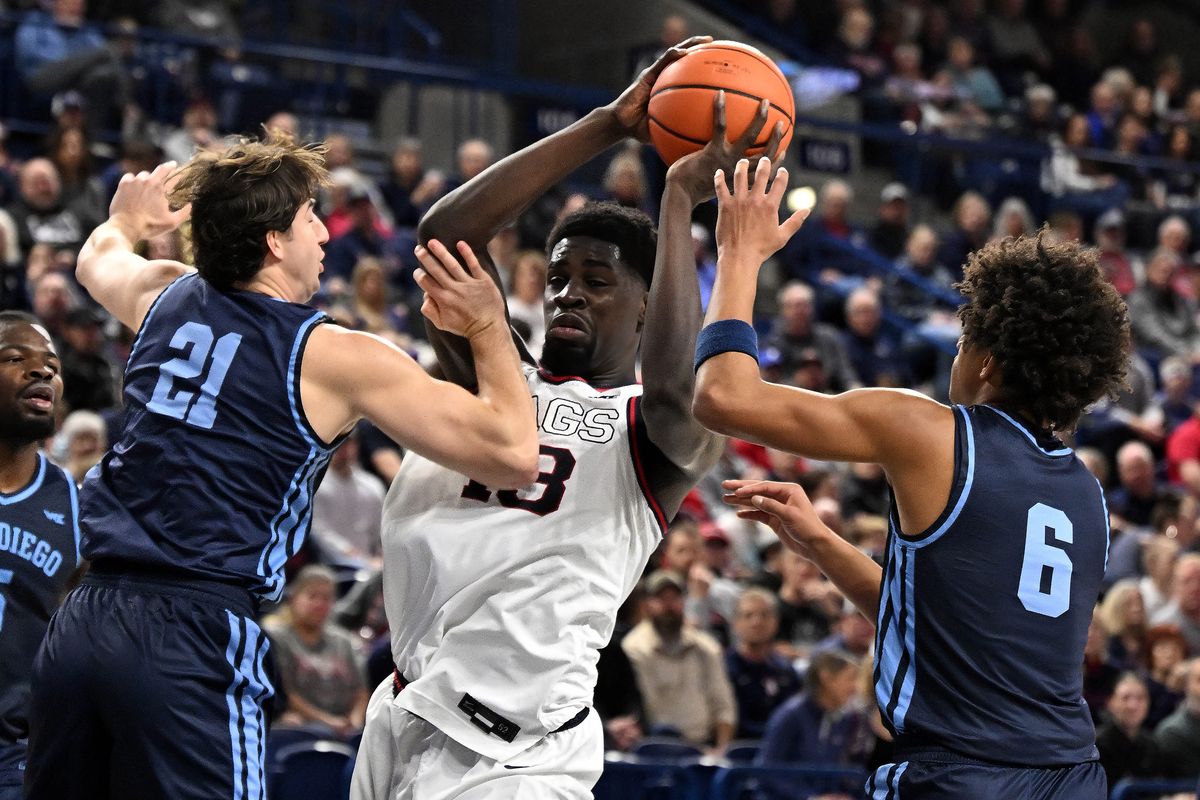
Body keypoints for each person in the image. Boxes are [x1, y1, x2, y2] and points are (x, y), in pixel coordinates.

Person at [25, 133, 540, 799]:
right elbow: (514, 453)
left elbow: (97, 260)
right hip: (193, 630)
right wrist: (489, 325)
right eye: (309, 218)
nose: (324, 232)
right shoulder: (332, 355)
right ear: (273, 240)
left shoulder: (166, 298)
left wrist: (129, 217)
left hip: (83, 619)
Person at [351, 36, 781, 799]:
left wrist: (679, 199)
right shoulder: (495, 372)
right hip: (401, 711)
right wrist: (611, 123)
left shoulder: (657, 432)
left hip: (519, 755)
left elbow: (683, 394)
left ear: (650, 303)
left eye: (597, 280)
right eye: (556, 278)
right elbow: (445, 241)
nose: (568, 294)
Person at [694, 156, 1130, 799]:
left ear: (986, 361)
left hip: (960, 775)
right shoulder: (1086, 492)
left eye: (962, 340)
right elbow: (946, 632)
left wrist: (739, 255)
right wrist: (819, 541)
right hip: (1073, 778)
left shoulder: (929, 432)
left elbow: (723, 397)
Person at [0, 312, 82, 800]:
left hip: (20, 761)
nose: (41, 372)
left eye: (51, 365)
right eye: (15, 358)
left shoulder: (78, 506)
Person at [266, 565, 369, 740]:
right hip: (302, 724)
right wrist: (328, 721)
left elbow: (360, 692)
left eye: (327, 598)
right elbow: (286, 693)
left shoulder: (343, 640)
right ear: (293, 598)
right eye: (312, 596)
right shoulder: (276, 636)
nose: (320, 604)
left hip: (344, 725)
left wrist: (355, 722)